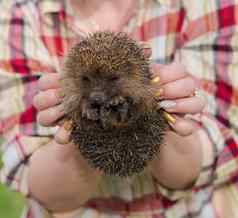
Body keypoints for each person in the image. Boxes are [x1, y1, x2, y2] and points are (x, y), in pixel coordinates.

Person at [0, 0, 237, 217]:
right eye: (86, 81)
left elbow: (212, 155)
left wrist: (157, 113)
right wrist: (81, 127)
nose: (97, 93)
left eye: (112, 80)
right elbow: (47, 192)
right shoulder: (16, 14)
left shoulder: (206, 5)